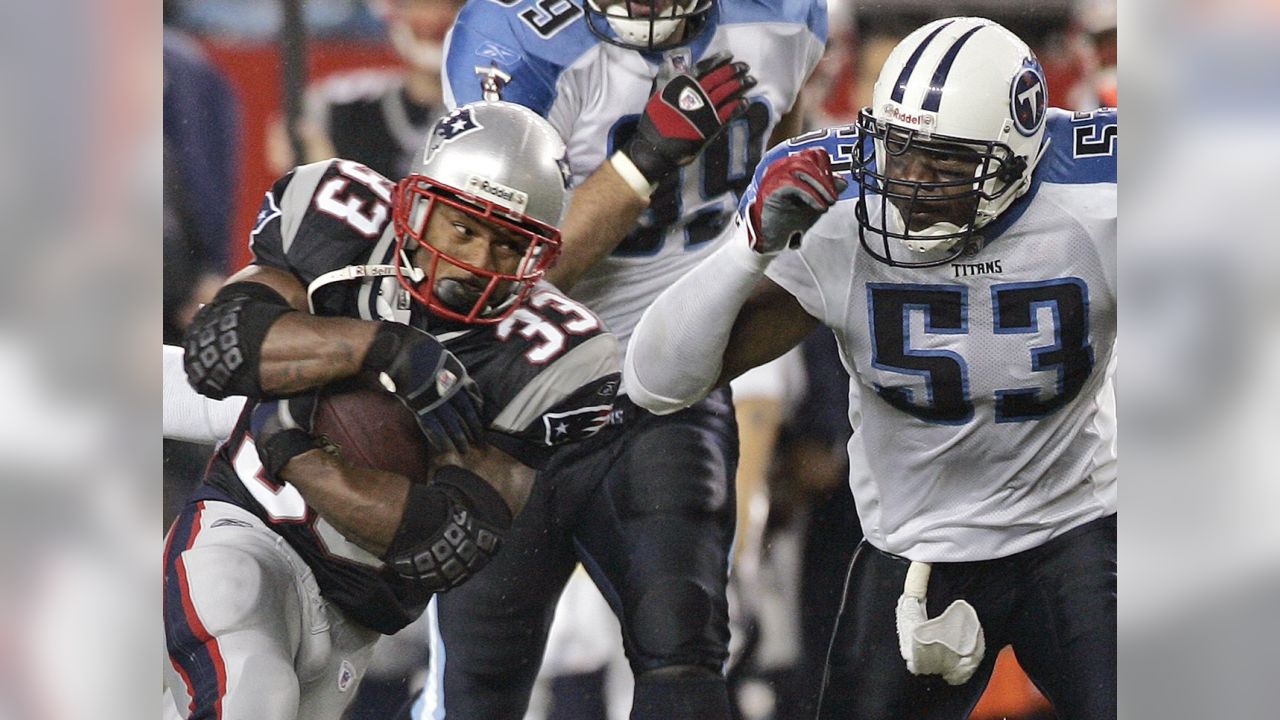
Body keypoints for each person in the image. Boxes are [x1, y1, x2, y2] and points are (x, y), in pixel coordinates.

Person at [625, 16, 1117, 720]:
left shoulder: (1105, 194)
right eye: (898, 151)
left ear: (1019, 157)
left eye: (944, 164)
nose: (908, 185)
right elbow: (656, 380)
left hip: (1077, 525)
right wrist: (746, 249)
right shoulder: (835, 200)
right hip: (913, 549)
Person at [408, 2, 828, 718]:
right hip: (520, 390)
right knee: (478, 689)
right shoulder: (512, 40)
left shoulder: (784, 16)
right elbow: (501, 275)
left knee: (686, 671)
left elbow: (777, 166)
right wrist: (644, 161)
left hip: (664, 391)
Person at [164, 100, 623, 720]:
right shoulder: (340, 219)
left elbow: (446, 542)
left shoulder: (553, 355)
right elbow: (220, 347)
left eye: (508, 244)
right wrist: (382, 347)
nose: (479, 265)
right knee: (252, 697)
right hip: (242, 534)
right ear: (418, 206)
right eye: (463, 230)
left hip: (355, 612)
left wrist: (294, 452)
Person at [265, 0, 465, 179]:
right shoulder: (336, 104)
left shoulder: (491, 110)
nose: (435, 19)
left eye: (454, 5)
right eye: (421, 4)